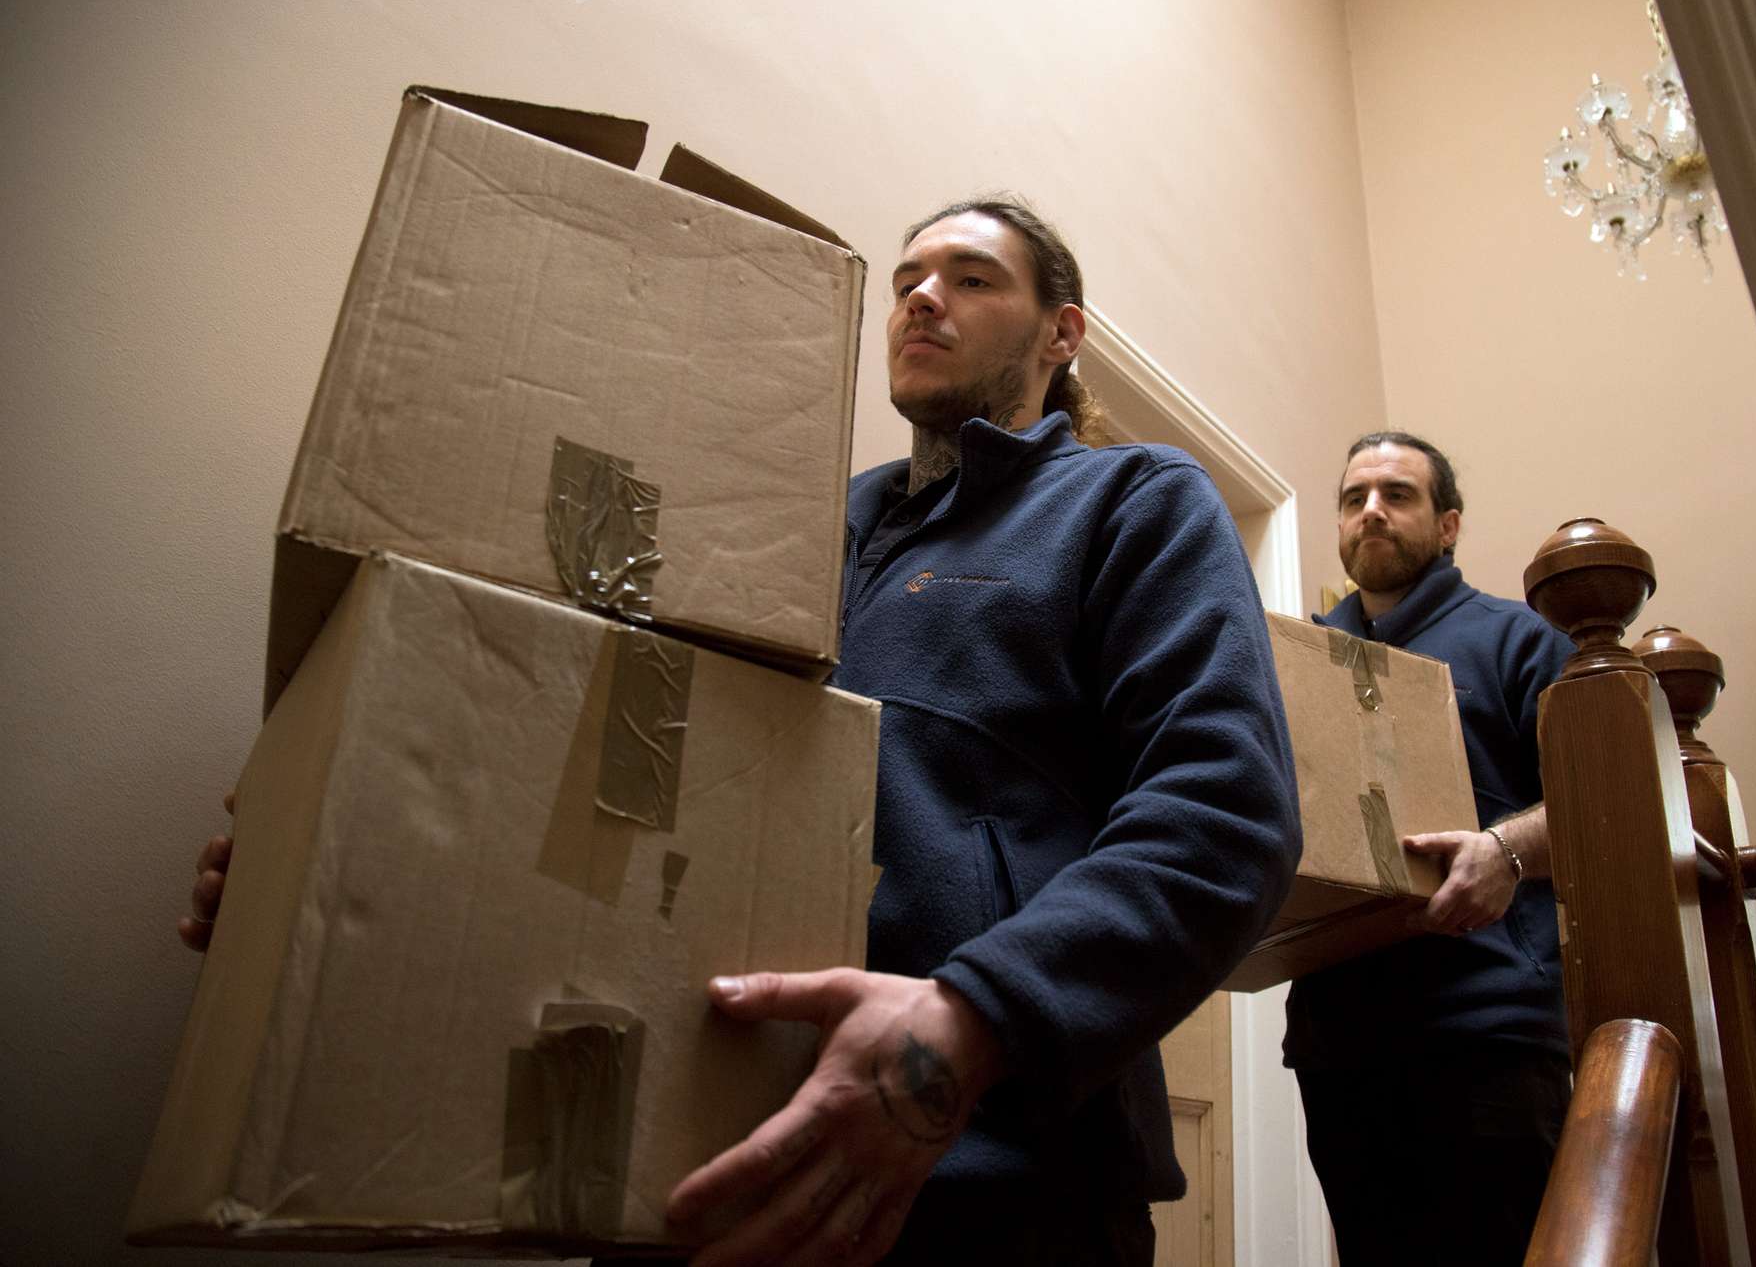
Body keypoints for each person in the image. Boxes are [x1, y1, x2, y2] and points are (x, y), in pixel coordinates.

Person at [182, 196, 1303, 1267]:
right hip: (692, 1172)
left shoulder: (1131, 501)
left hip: (991, 1187)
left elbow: (1226, 814)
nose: (922, 297)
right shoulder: (795, 525)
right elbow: (614, 760)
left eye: (969, 278)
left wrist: (969, 1023)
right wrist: (333, 845)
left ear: (1060, 332)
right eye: (905, 279)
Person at [1285, 431, 1575, 1266]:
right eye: (1353, 498)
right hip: (1339, 1046)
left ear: (1448, 526)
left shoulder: (1521, 642)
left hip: (1489, 1036)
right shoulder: (1295, 657)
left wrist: (1507, 850)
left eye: (1397, 495)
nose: (1370, 510)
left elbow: (1605, 798)